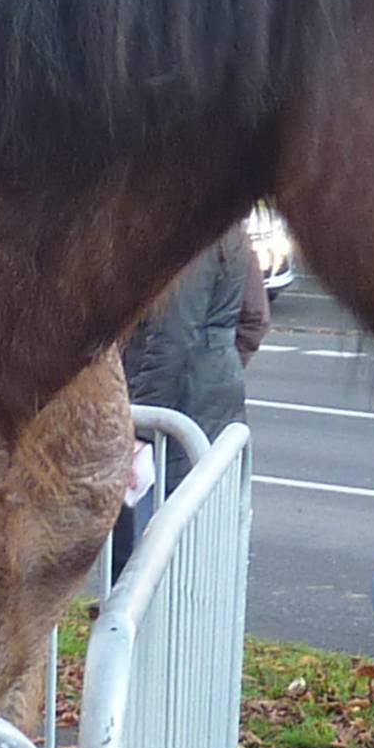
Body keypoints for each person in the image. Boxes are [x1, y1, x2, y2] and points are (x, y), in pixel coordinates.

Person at [112, 224, 268, 578]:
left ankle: (136, 626)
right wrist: (217, 366)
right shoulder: (230, 230)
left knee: (148, 552)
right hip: (211, 398)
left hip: (169, 410)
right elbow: (255, 320)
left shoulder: (188, 238)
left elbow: (171, 338)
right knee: (191, 542)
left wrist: (141, 431)